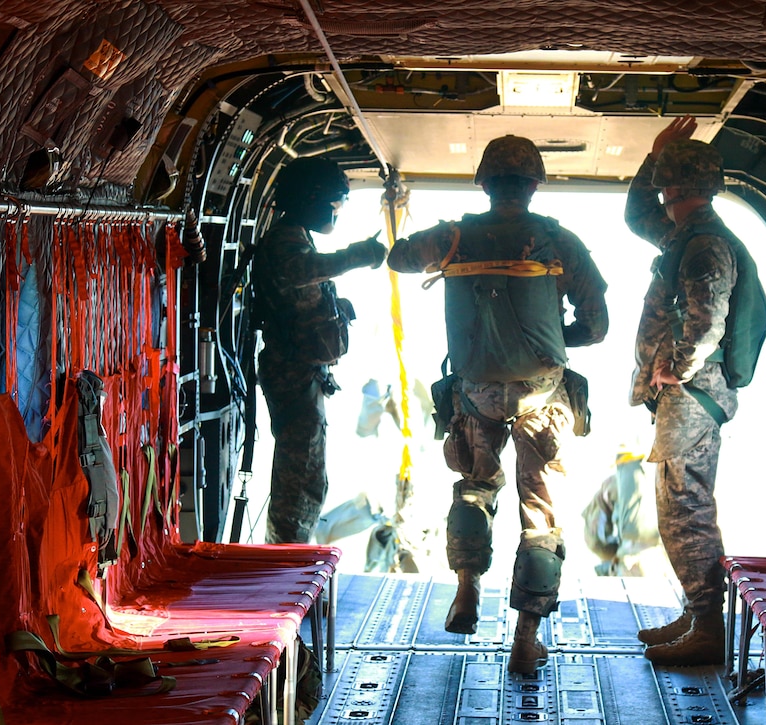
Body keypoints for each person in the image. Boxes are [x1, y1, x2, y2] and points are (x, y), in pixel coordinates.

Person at [387, 135, 608, 674]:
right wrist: (555, 337)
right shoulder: (559, 241)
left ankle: (467, 588)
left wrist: (446, 245)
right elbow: (597, 326)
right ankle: (526, 638)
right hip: (542, 394)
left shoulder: (452, 238)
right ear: (534, 185)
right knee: (540, 515)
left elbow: (396, 257)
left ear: (484, 183)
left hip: (475, 391)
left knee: (475, 486)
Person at [624, 116, 737, 666]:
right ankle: (698, 613)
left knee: (683, 507)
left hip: (692, 397)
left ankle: (708, 625)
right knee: (681, 503)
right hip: (686, 397)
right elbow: (636, 216)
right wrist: (657, 156)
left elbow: (707, 316)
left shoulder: (704, 244)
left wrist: (678, 369)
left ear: (673, 188)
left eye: (663, 181)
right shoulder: (687, 235)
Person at [252, 156, 388, 544]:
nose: (337, 212)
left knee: (308, 472)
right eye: (335, 204)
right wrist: (358, 255)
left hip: (302, 373)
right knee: (301, 476)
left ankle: (289, 554)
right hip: (292, 373)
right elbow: (303, 271)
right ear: (312, 199)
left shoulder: (295, 236)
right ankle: (285, 560)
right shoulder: (285, 240)